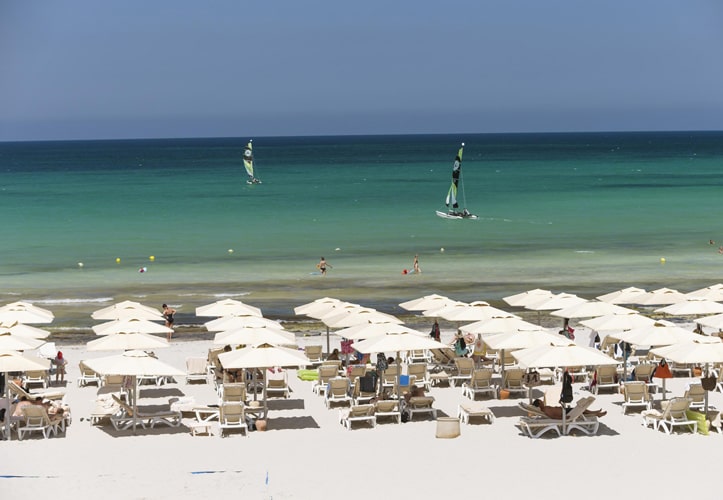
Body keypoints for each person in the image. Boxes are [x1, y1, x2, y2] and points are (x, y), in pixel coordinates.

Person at [532, 399, 607, 418]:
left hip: (564, 410)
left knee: (580, 409)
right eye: (541, 401)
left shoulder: (545, 408)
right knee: (580, 410)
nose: (542, 401)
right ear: (539, 403)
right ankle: (597, 414)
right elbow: (553, 417)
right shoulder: (545, 410)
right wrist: (564, 418)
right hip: (565, 413)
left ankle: (596, 413)